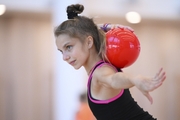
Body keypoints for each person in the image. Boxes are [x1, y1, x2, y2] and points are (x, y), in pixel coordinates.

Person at [54, 4, 166, 120]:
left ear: (88, 43)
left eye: (68, 47)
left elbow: (113, 79)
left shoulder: (100, 71)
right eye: (61, 51)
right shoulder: (98, 68)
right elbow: (88, 32)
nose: (64, 57)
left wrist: (135, 79)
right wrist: (107, 26)